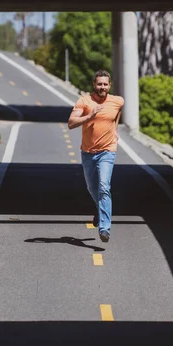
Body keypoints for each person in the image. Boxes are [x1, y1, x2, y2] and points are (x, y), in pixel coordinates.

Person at [67, 69, 124, 242]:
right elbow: (71, 123)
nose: (102, 87)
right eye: (99, 84)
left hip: (107, 151)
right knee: (92, 189)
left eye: (105, 84)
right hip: (88, 153)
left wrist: (114, 132)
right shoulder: (84, 101)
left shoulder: (118, 101)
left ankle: (104, 228)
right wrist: (90, 115)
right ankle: (99, 210)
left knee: (104, 186)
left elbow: (115, 117)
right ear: (94, 84)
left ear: (110, 85)